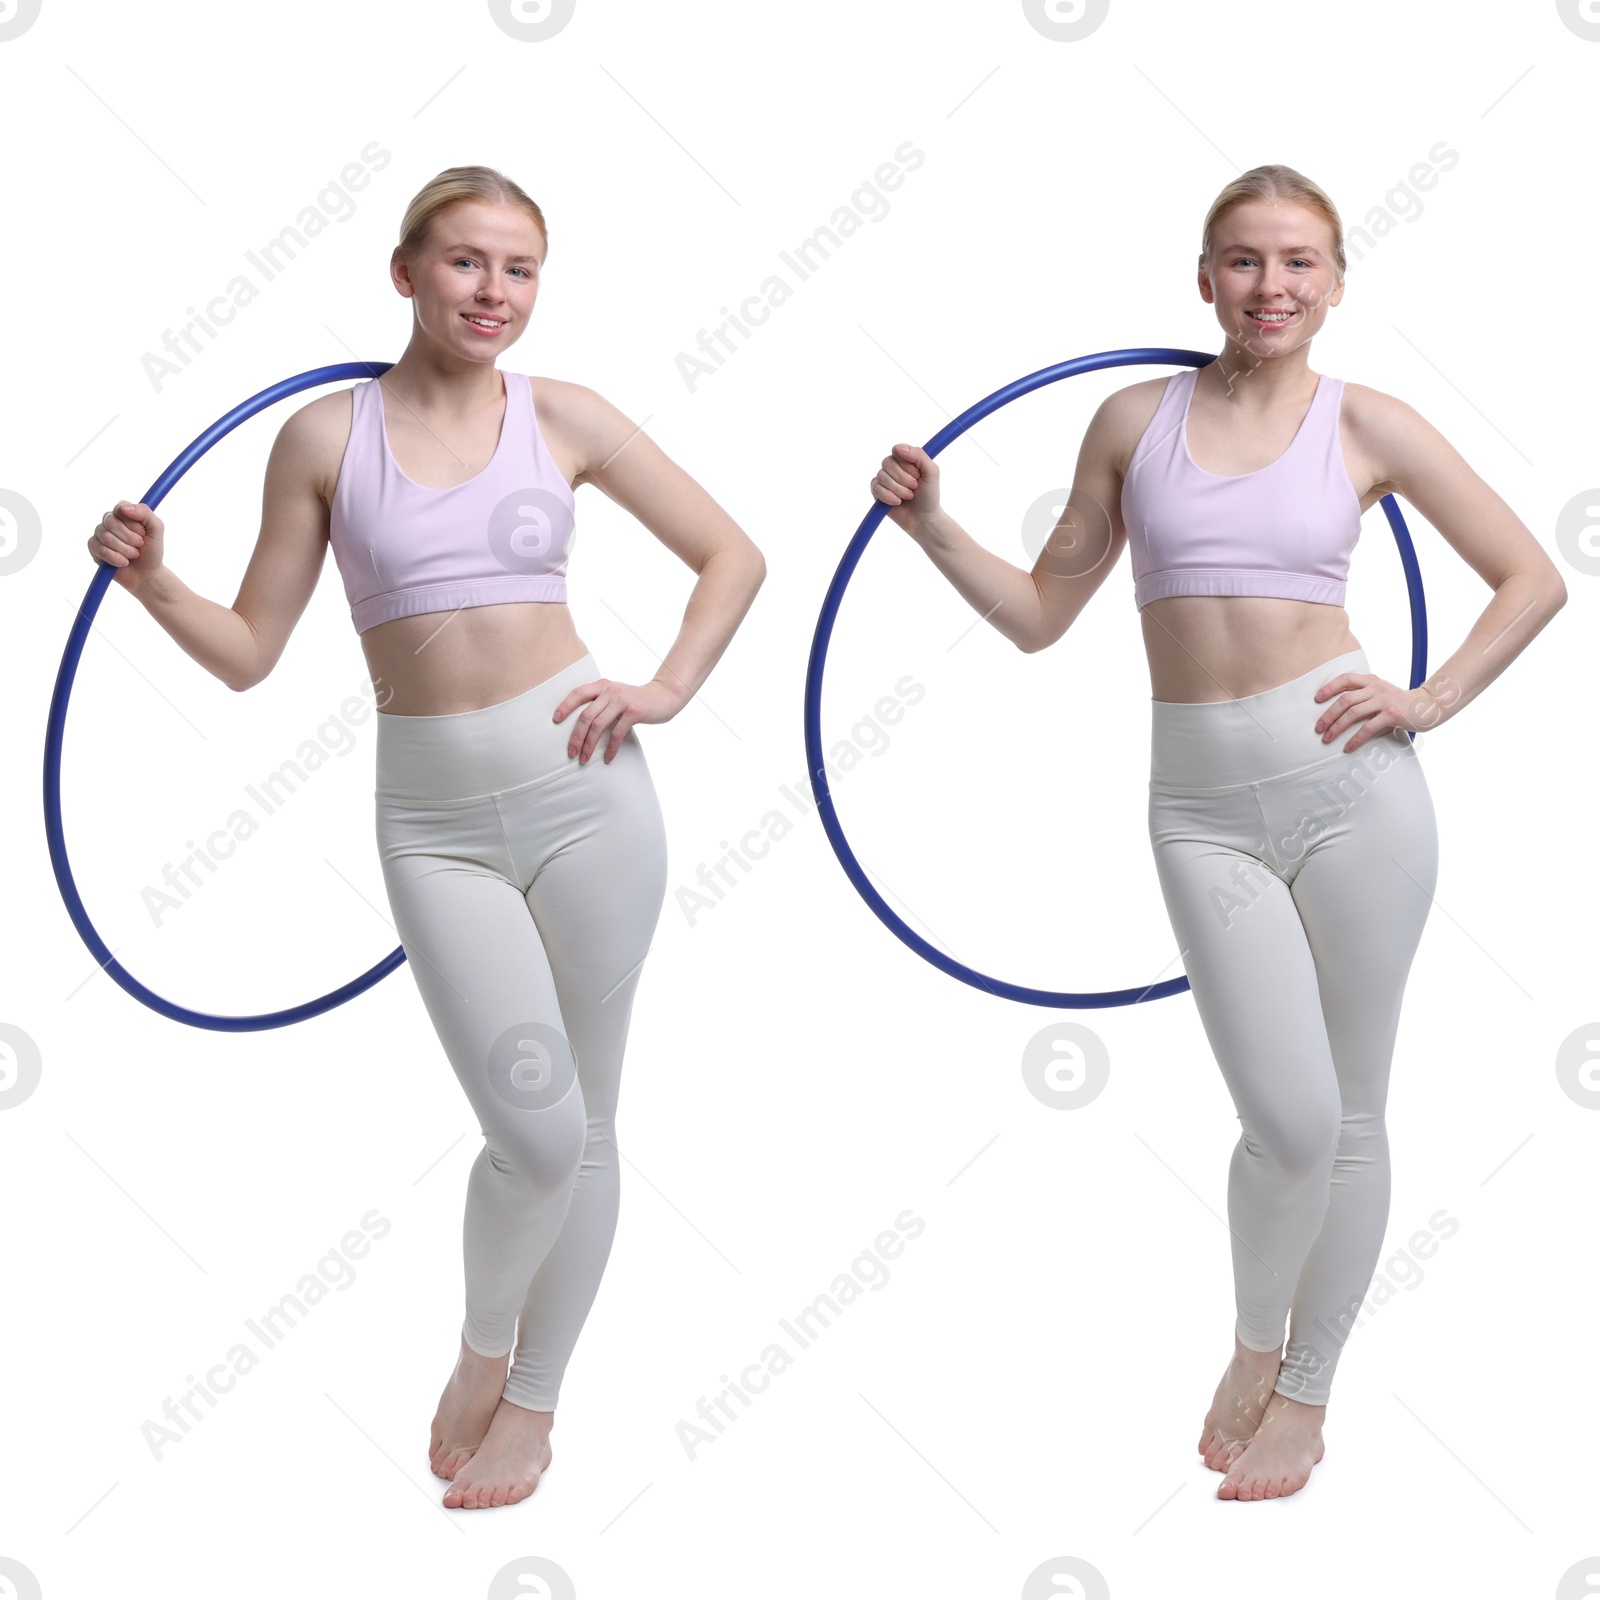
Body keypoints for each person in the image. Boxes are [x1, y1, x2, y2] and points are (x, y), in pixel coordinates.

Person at [870, 163, 1566, 1502]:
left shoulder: (1372, 424)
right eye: (1245, 261)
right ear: (1203, 278)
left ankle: (1309, 1392)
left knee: (1351, 1113)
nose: (1272, 287)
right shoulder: (1135, 419)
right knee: (1287, 1122)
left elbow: (1532, 577)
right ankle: (1259, 1342)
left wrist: (1431, 697)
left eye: (1300, 262)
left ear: (1337, 284)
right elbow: (1038, 614)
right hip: (1200, 809)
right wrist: (931, 526)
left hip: (1357, 789)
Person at [87, 164, 766, 1511]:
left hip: (592, 799)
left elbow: (733, 554)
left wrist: (667, 688)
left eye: (519, 270)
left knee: (590, 1123)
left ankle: (534, 1400)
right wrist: (157, 578)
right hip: (435, 824)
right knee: (534, 1127)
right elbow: (248, 652)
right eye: (466, 263)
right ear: (405, 272)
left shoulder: (565, 415)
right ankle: (481, 1342)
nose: (493, 293)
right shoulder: (326, 440)